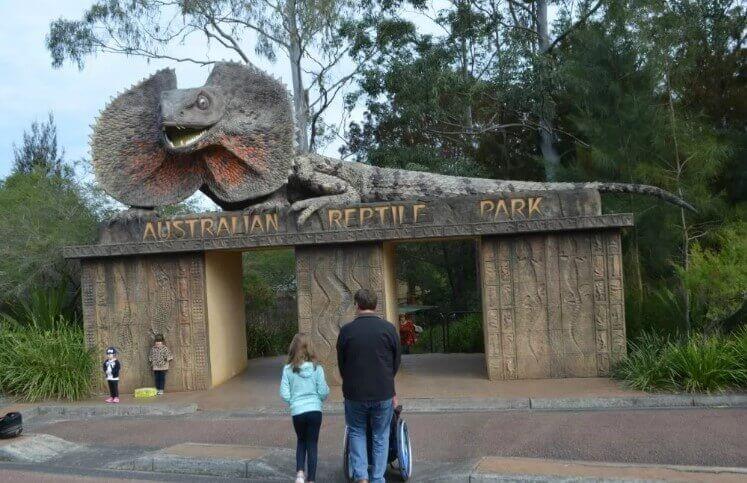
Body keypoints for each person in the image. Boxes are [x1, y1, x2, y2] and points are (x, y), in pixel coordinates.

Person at [337, 289, 401, 483]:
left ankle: (361, 476)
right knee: (381, 435)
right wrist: (387, 381)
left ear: (357, 305)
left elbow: (342, 364)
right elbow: (396, 361)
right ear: (375, 305)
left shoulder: (346, 331)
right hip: (383, 391)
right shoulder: (388, 329)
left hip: (355, 392)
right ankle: (377, 478)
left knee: (356, 431)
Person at [280, 334, 330, 483]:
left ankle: (300, 474)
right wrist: (318, 401)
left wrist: (293, 402)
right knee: (312, 444)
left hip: (298, 412)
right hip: (315, 410)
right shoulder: (317, 369)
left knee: (301, 441)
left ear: (293, 349)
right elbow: (323, 391)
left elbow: (284, 393)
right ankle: (311, 479)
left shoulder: (288, 369)